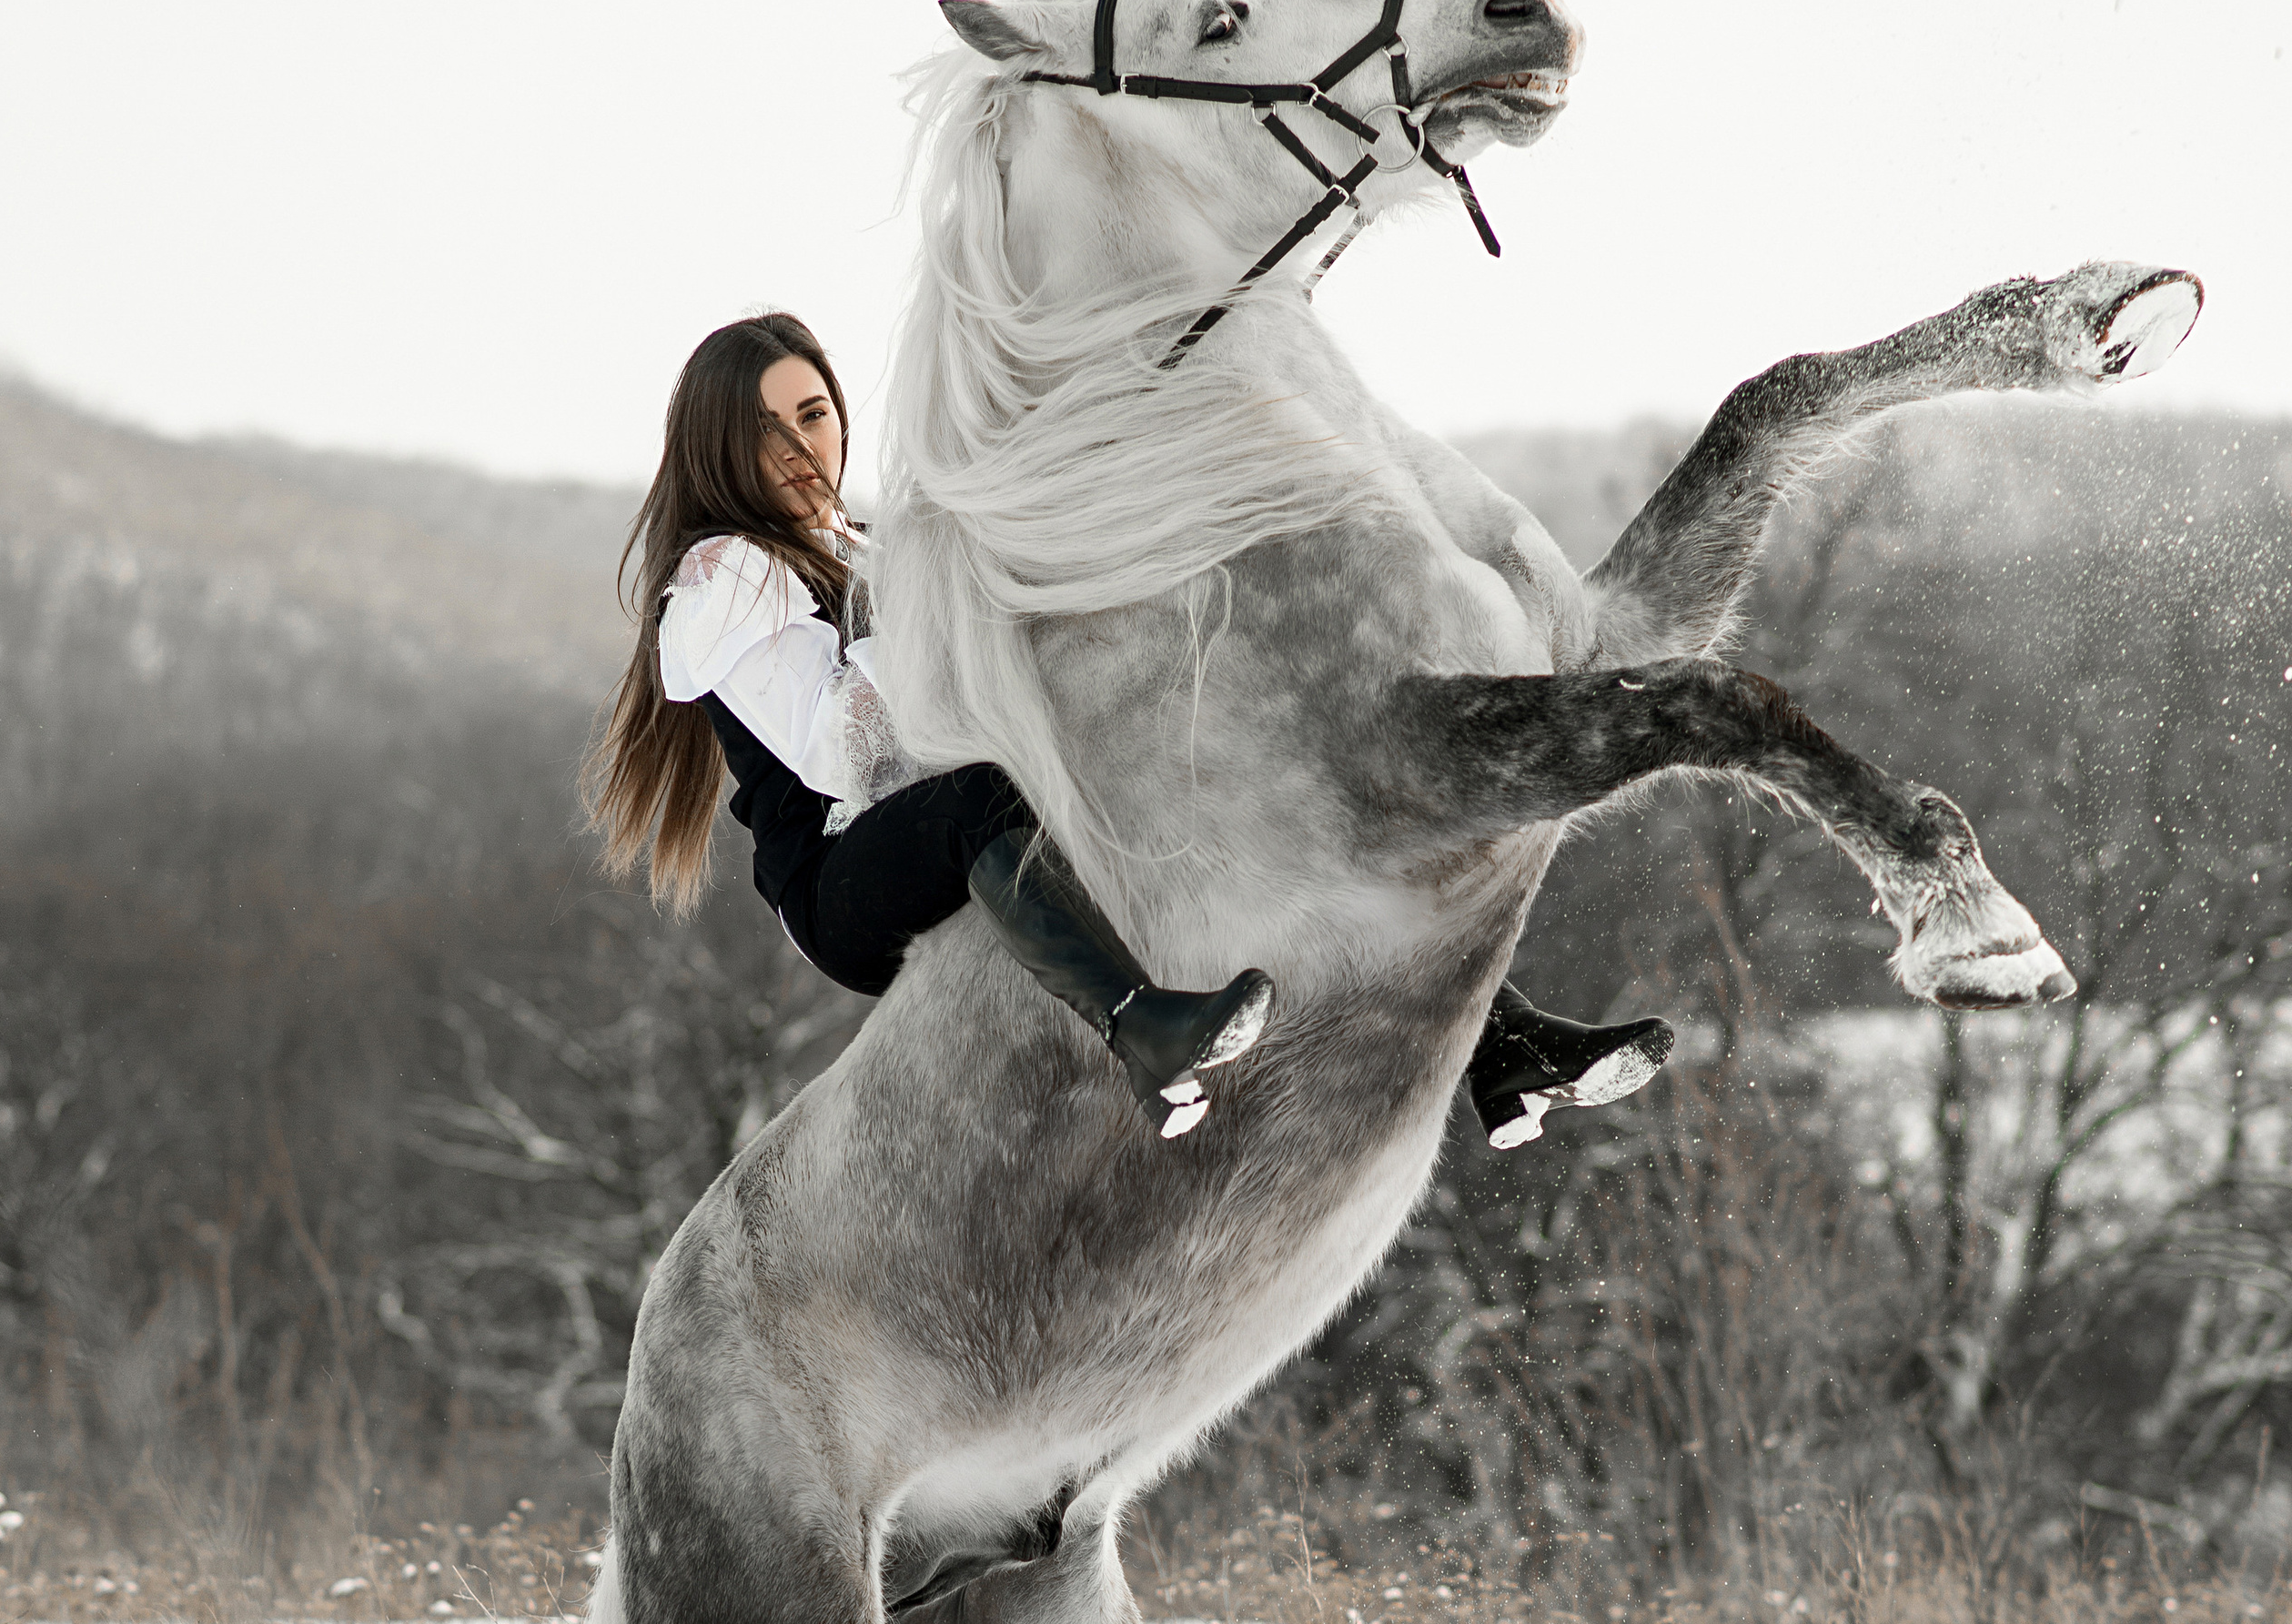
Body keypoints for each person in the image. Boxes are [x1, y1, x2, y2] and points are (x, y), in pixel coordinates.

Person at [584, 313, 1672, 1148]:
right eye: (763, 427)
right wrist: (935, 612)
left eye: (811, 414)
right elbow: (845, 750)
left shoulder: (857, 545)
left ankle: (1499, 1043)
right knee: (979, 804)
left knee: (1196, 771)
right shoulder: (723, 575)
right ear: (716, 445)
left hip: (938, 800)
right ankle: (1144, 1030)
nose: (794, 445)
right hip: (843, 880)